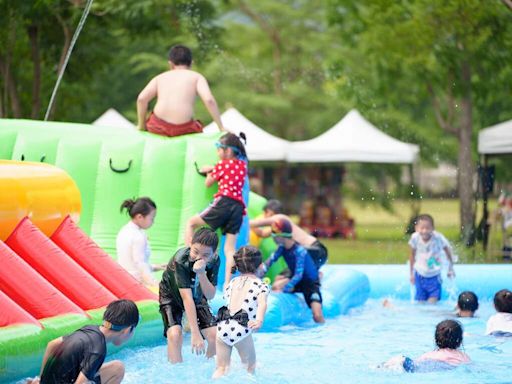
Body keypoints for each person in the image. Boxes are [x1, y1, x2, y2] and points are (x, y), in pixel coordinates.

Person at [185, 132, 248, 286]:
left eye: (219, 150)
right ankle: (228, 282)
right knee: (230, 248)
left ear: (227, 150)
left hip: (224, 202)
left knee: (191, 223)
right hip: (238, 207)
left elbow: (208, 183)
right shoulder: (242, 165)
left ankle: (188, 257)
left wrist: (209, 171)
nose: (217, 153)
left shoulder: (221, 165)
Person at [28, 300, 139, 384]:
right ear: (127, 330)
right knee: (117, 370)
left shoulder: (89, 329)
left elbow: (52, 344)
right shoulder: (98, 350)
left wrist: (41, 379)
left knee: (117, 367)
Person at [159, 227, 220, 363]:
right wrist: (195, 332)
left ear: (214, 253)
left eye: (205, 255)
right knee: (175, 335)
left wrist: (202, 273)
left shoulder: (215, 260)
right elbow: (186, 298)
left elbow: (210, 295)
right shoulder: (180, 259)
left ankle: (208, 370)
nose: (199, 258)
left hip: (196, 294)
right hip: (171, 295)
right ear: (190, 244)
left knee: (215, 336)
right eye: (195, 252)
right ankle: (176, 372)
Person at [137, 44, 225, 136]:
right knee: (197, 126)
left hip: (158, 126)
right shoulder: (197, 77)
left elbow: (141, 99)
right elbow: (209, 100)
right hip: (185, 128)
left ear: (170, 64)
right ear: (191, 63)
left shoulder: (160, 78)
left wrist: (141, 125)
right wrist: (221, 127)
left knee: (151, 120)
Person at [213, 246, 269, 378]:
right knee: (250, 366)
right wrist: (259, 320)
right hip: (241, 328)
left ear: (237, 266)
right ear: (260, 266)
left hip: (222, 327)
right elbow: (262, 304)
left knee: (221, 368)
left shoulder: (232, 283)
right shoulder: (261, 285)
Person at [257, 218, 324, 323]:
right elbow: (268, 263)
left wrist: (284, 290)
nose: (273, 238)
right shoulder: (282, 248)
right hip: (297, 282)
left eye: (274, 236)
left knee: (317, 315)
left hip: (310, 284)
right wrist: (256, 277)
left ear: (283, 236)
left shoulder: (299, 251)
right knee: (275, 285)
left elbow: (298, 275)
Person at [250, 199, 329, 270]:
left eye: (264, 214)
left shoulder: (279, 218)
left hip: (313, 249)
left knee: (289, 276)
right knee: (289, 276)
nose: (263, 216)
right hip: (316, 251)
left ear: (269, 212)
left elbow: (255, 223)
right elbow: (262, 233)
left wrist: (243, 216)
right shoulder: (280, 226)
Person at [382, 319, 470, 372]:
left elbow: (416, 363)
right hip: (449, 367)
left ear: (436, 339)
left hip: (428, 365)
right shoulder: (463, 357)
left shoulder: (430, 355)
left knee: (403, 361)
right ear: (459, 340)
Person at [116, 197, 164, 288]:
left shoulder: (123, 231)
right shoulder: (138, 236)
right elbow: (140, 264)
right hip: (136, 284)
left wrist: (156, 267)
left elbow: (131, 263)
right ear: (139, 217)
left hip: (123, 281)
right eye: (152, 218)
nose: (153, 222)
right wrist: (154, 283)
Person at [408, 214, 456, 303]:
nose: (424, 231)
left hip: (434, 276)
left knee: (432, 303)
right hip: (420, 275)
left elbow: (448, 252)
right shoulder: (415, 238)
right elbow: (412, 255)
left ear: (433, 228)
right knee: (420, 302)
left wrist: (450, 268)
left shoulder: (438, 238)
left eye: (428, 228)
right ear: (416, 228)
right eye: (421, 228)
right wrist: (411, 274)